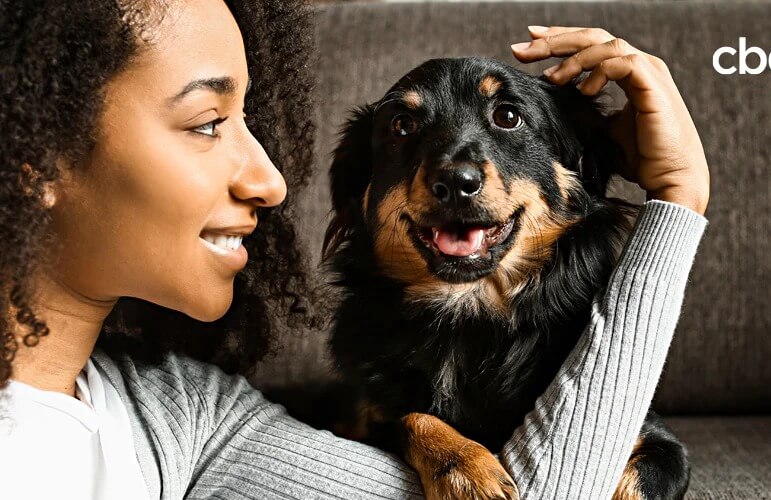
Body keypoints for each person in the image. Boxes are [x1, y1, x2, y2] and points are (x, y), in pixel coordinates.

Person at [0, 1, 710, 499]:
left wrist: (676, 203)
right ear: (37, 154)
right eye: (209, 122)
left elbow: (538, 494)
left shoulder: (188, 417)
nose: (273, 183)